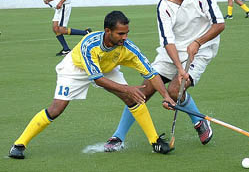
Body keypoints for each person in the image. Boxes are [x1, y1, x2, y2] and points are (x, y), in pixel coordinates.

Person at [8, 11, 176, 159]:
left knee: (132, 100)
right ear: (108, 31)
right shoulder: (90, 44)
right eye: (120, 33)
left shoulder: (127, 47)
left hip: (107, 67)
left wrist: (166, 96)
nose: (125, 37)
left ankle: (155, 141)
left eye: (126, 33)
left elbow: (152, 74)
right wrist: (127, 88)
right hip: (76, 69)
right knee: (56, 109)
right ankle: (19, 145)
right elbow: (97, 79)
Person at [103, 0, 225, 152]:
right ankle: (118, 137)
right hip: (172, 51)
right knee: (142, 92)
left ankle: (199, 121)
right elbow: (168, 41)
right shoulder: (163, 5)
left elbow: (219, 24)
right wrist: (179, 67)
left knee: (176, 90)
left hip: (201, 49)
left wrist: (198, 42)